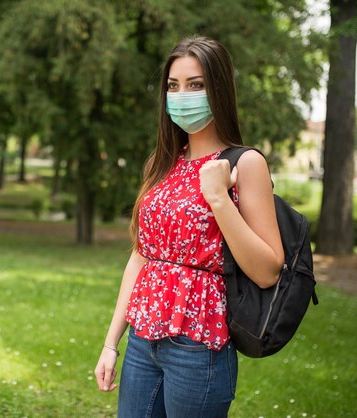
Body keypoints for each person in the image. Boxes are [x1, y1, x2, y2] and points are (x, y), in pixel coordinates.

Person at [94, 35, 284, 417]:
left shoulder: (245, 164)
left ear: (219, 90)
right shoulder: (162, 163)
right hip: (143, 340)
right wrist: (112, 342)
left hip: (199, 346)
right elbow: (140, 258)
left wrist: (218, 198)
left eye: (196, 85)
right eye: (173, 86)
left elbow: (267, 270)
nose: (182, 96)